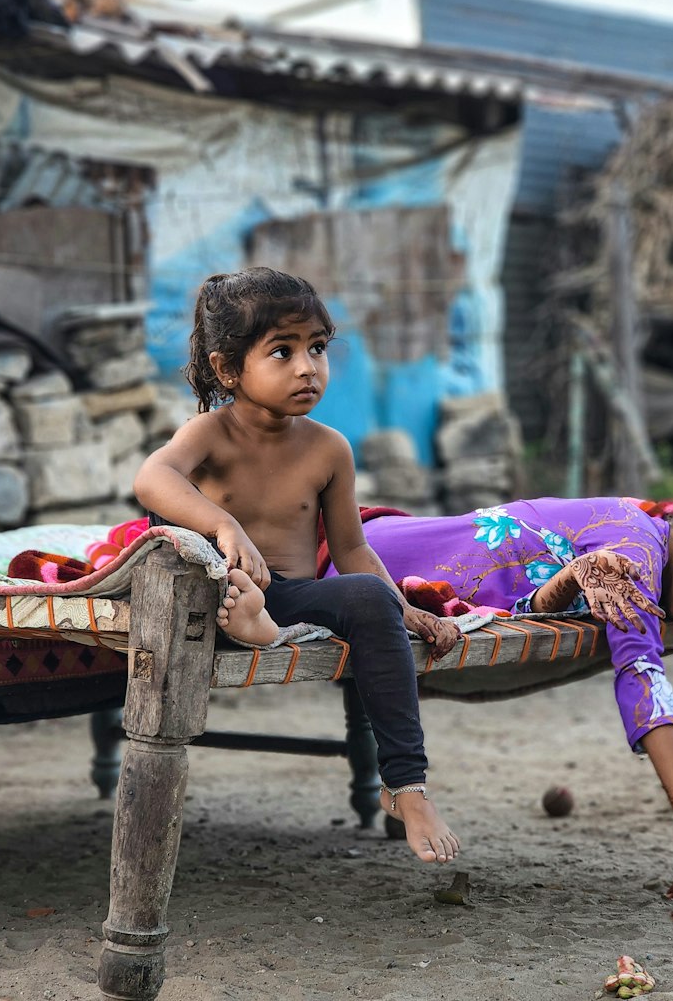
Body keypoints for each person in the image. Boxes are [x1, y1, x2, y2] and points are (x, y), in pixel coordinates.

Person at [326, 492, 673, 940]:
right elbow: (641, 672)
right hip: (361, 567)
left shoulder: (636, 538)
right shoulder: (635, 550)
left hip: (377, 552)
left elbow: (538, 596)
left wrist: (565, 583)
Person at [133, 268, 482, 866]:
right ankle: (250, 624)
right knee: (197, 570)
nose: (307, 367)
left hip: (287, 595)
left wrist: (408, 613)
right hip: (219, 591)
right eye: (282, 351)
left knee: (367, 599)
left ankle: (407, 786)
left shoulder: (328, 448)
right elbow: (151, 477)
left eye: (317, 348)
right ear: (227, 370)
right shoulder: (208, 433)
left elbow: (351, 552)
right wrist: (223, 525)